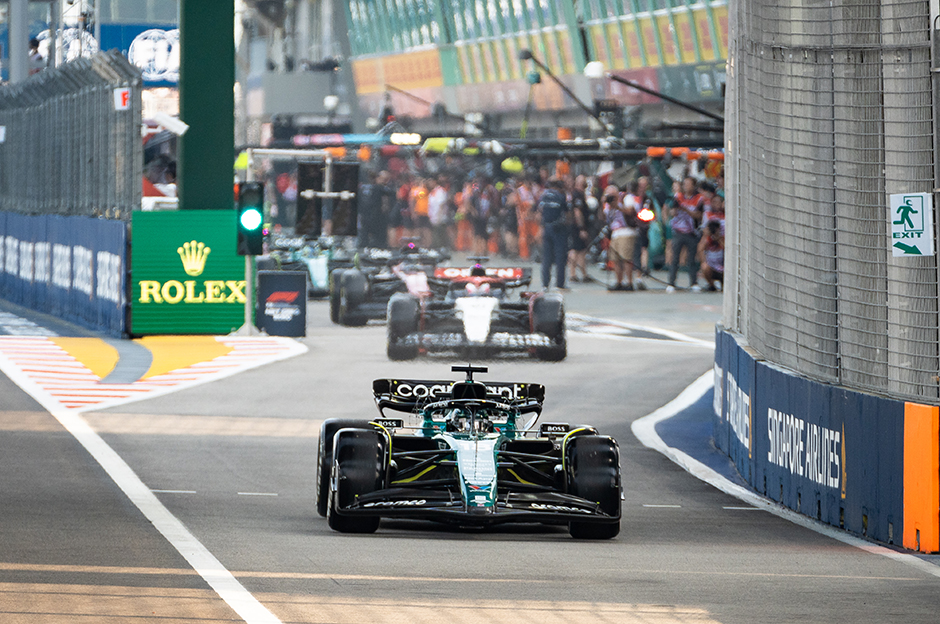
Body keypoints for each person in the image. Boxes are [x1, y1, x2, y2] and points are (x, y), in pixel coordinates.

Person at [666, 176, 704, 292]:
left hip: (692, 232)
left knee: (691, 259)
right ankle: (671, 282)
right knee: (675, 258)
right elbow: (672, 212)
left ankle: (694, 282)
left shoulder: (699, 199)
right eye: (685, 184)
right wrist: (675, 208)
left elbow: (699, 215)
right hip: (678, 231)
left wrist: (685, 209)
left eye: (689, 184)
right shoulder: (678, 197)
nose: (686, 186)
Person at [603, 185, 639, 291]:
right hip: (615, 232)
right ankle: (619, 281)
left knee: (626, 258)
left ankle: (629, 282)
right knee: (615, 259)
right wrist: (604, 203)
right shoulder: (607, 204)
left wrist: (617, 206)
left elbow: (630, 211)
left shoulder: (626, 198)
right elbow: (604, 217)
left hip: (626, 231)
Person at [537, 177, 570, 290]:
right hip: (559, 229)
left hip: (546, 228)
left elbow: (539, 212)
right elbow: (566, 213)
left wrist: (541, 226)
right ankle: (559, 284)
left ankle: (545, 284)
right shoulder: (561, 196)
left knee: (546, 257)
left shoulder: (543, 196)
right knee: (560, 257)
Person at [568, 175, 591, 283]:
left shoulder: (577, 194)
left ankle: (583, 273)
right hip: (577, 227)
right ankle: (572, 273)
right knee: (576, 250)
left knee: (581, 250)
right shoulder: (577, 195)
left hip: (576, 226)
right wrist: (581, 228)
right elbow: (577, 212)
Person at [698, 220, 724, 291]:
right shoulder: (707, 239)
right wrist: (706, 236)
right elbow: (700, 249)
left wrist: (718, 238)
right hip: (712, 267)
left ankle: (723, 284)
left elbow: (725, 247)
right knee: (704, 267)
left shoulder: (722, 238)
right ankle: (711, 285)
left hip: (722, 267)